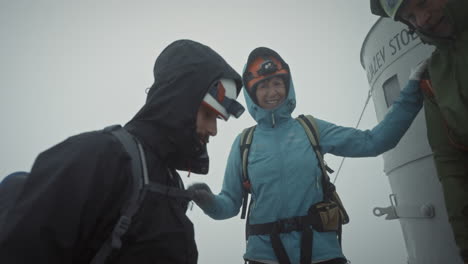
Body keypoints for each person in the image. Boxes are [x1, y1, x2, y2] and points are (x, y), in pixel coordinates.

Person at [0, 39, 245, 264]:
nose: (213, 130)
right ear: (180, 102)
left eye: (218, 120)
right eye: (208, 115)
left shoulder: (170, 181)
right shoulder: (99, 156)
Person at [188, 47, 427, 264]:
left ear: (287, 85)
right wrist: (208, 201)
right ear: (252, 93)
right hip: (264, 257)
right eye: (262, 86)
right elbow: (229, 204)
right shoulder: (244, 143)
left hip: (322, 255)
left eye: (277, 83)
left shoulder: (311, 128)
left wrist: (413, 92)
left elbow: (374, 142)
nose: (272, 92)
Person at [370, 0, 468, 261]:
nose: (421, 20)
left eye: (422, 3)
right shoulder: (436, 73)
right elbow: (451, 165)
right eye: (410, 17)